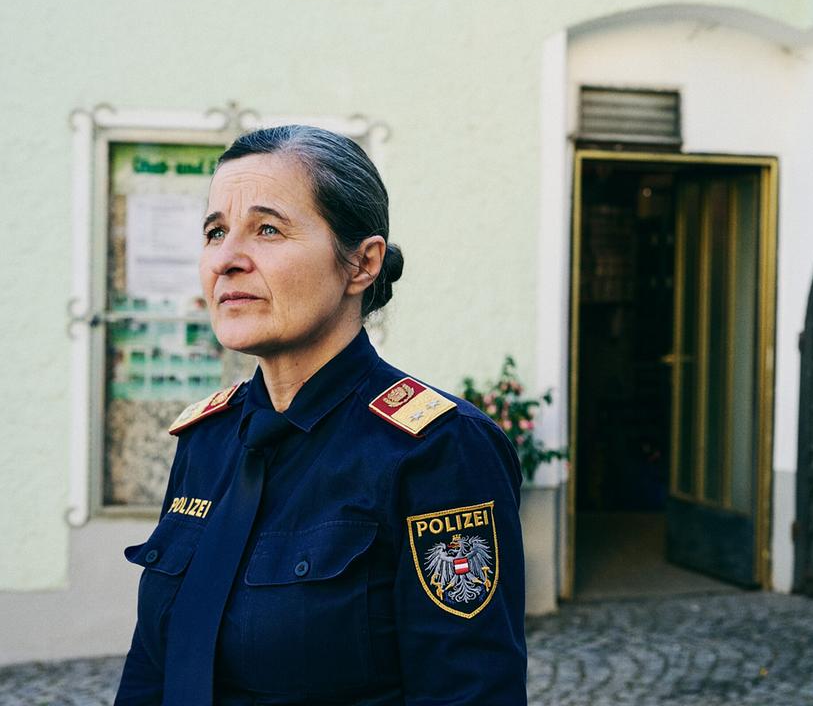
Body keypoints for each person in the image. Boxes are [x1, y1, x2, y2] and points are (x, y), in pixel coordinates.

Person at [114, 125, 527, 705]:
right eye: (215, 232)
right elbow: (152, 669)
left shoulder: (436, 450)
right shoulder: (206, 440)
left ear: (361, 264)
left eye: (267, 229)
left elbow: (469, 692)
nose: (227, 260)